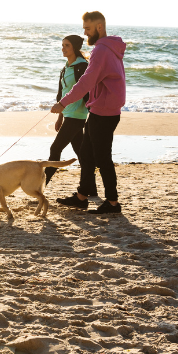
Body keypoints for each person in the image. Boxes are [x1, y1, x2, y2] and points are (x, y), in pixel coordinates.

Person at [50, 11, 127, 214]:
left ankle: (112, 203)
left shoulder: (102, 50)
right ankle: (82, 197)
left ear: (99, 27)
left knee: (102, 158)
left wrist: (63, 103)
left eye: (88, 29)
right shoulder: (110, 48)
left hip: (104, 110)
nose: (85, 33)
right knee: (86, 153)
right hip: (103, 108)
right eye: (84, 28)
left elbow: (86, 81)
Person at [45, 35, 89, 187]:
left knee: (55, 148)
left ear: (75, 48)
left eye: (67, 45)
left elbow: (85, 91)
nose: (63, 48)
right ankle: (91, 188)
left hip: (77, 115)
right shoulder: (65, 68)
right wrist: (60, 118)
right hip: (68, 114)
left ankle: (42, 185)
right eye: (62, 45)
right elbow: (61, 93)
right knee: (81, 154)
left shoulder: (82, 67)